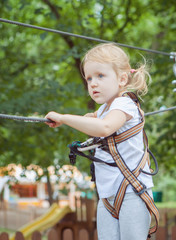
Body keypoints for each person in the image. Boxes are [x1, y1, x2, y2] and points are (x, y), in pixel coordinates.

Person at [45, 43, 159, 240]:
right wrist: (83, 119)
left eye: (100, 76)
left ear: (122, 78)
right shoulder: (105, 110)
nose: (93, 83)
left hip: (132, 192)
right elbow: (95, 122)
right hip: (108, 197)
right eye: (89, 78)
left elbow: (105, 127)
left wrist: (64, 118)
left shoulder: (125, 104)